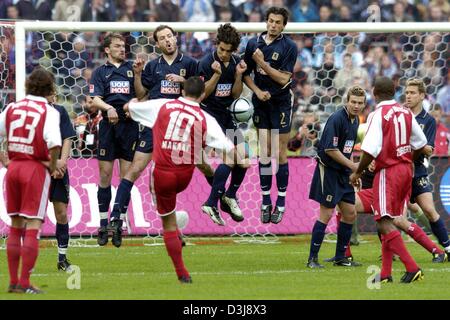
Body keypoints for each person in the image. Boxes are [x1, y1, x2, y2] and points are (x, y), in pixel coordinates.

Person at [107, 25, 212, 247]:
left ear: (176, 38)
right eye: (162, 38)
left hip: (181, 126)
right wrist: (137, 75)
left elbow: (201, 92)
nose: (167, 41)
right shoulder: (153, 66)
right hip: (155, 124)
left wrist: (183, 83)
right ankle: (116, 218)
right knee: (136, 169)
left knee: (200, 164)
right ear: (158, 43)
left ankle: (220, 197)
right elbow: (141, 94)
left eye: (170, 36)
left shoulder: (190, 64)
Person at [125, 76, 236, 283]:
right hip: (185, 176)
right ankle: (180, 228)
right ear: (203, 95)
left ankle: (182, 273)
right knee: (199, 162)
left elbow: (129, 108)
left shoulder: (163, 105)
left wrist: (131, 104)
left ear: (182, 92)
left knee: (166, 221)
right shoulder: (206, 118)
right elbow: (230, 149)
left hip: (163, 173)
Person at [350, 76, 427, 284]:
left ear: (374, 94)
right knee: (390, 219)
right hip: (405, 170)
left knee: (383, 221)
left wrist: (358, 171)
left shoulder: (378, 114)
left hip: (388, 171)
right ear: (395, 92)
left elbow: (370, 149)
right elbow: (421, 142)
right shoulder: (406, 112)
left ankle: (412, 268)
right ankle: (385, 273)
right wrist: (408, 159)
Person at [0, 68, 61, 294]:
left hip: (13, 169)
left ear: (27, 86)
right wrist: (52, 166)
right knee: (33, 225)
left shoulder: (12, 107)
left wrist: (5, 160)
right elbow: (54, 144)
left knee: (15, 226)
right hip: (34, 170)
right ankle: (25, 283)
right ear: (50, 88)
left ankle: (13, 282)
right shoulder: (48, 111)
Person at [243, 6, 298, 224]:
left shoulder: (289, 47)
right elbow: (245, 73)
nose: (273, 25)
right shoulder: (252, 44)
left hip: (281, 103)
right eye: (271, 21)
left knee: (280, 152)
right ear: (266, 22)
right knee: (264, 151)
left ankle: (281, 201)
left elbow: (284, 79)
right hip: (261, 101)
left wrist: (262, 63)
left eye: (278, 22)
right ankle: (266, 200)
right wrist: (256, 91)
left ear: (283, 25)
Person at [306, 86, 365, 268]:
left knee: (350, 213)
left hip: (343, 173)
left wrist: (354, 172)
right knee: (326, 213)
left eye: (360, 103)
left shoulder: (356, 121)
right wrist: (353, 166)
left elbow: (347, 150)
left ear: (363, 104)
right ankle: (312, 259)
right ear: (347, 101)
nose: (356, 105)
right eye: (353, 102)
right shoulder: (336, 118)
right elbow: (330, 150)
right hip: (329, 171)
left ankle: (341, 257)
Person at [90, 33, 139, 246]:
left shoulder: (132, 69)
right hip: (108, 126)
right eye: (117, 46)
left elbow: (143, 93)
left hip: (129, 125)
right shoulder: (101, 72)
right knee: (105, 175)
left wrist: (133, 105)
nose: (122, 49)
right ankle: (103, 224)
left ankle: (117, 221)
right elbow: (94, 99)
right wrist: (109, 107)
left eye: (123, 46)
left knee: (126, 176)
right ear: (107, 50)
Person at [198, 23, 249, 226]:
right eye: (222, 49)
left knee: (244, 158)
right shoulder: (205, 63)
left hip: (227, 117)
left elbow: (236, 95)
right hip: (209, 117)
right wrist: (216, 75)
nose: (225, 54)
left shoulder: (236, 63)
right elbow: (202, 95)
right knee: (230, 157)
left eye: (229, 51)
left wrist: (238, 75)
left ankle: (228, 196)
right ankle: (211, 202)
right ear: (217, 44)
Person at [403, 79, 450, 256]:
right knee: (394, 215)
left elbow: (428, 149)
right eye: (407, 92)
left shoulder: (428, 120)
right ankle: (392, 250)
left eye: (412, 92)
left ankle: (447, 247)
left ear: (422, 96)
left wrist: (422, 147)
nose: (408, 96)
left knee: (430, 210)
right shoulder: (399, 115)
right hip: (399, 171)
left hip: (418, 171)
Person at [47, 93, 77, 271]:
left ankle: (62, 258)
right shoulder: (36, 113)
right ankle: (27, 258)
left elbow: (67, 137)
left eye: (50, 92)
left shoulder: (60, 111)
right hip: (40, 167)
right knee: (33, 215)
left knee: (62, 213)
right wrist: (52, 162)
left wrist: (62, 162)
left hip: (59, 168)